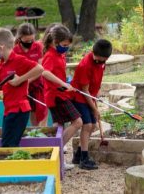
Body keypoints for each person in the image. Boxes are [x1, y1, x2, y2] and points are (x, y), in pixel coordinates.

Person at [0, 27, 43, 147]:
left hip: (20, 110)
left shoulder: (18, 60)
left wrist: (21, 80)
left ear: (1, 47)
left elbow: (39, 69)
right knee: (7, 144)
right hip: (8, 110)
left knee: (9, 144)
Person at [42, 24, 83, 169]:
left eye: (67, 45)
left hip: (61, 93)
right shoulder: (50, 55)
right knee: (77, 122)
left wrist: (67, 82)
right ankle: (56, 149)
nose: (66, 47)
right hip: (56, 96)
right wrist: (63, 84)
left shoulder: (59, 54)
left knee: (59, 126)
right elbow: (45, 73)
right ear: (54, 41)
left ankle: (57, 160)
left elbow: (56, 73)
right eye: (64, 45)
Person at [71, 39, 112, 170]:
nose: (100, 62)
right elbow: (84, 90)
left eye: (103, 60)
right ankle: (84, 159)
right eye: (98, 59)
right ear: (93, 53)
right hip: (79, 97)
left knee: (93, 125)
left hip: (90, 96)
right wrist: (95, 109)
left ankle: (77, 155)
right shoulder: (85, 65)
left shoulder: (101, 63)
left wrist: (97, 94)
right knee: (87, 124)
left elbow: (97, 80)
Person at [13, 23, 47, 126]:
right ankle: (33, 133)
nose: (30, 43)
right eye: (27, 41)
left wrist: (28, 80)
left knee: (41, 110)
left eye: (32, 40)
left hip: (37, 83)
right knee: (28, 111)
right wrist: (22, 82)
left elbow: (40, 69)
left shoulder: (38, 47)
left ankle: (42, 137)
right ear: (20, 38)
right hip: (21, 85)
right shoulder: (15, 51)